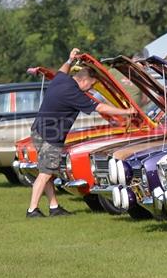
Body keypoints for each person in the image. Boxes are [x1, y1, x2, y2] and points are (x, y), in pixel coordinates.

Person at [26, 48, 136, 218]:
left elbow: (63, 69)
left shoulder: (61, 79)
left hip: (38, 130)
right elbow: (99, 107)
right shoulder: (73, 93)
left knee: (46, 172)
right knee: (45, 173)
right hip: (51, 136)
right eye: (91, 85)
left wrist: (69, 60)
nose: (90, 89)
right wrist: (126, 112)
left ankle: (54, 207)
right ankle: (32, 210)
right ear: (84, 80)